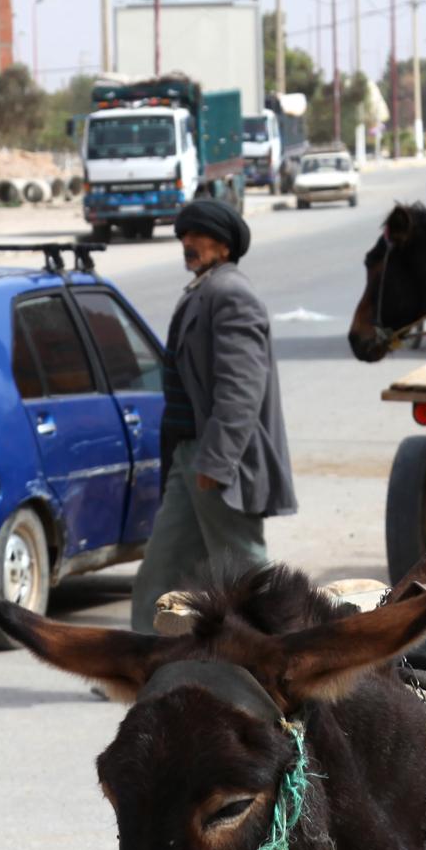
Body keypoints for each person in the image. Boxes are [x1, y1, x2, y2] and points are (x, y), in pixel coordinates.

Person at [127, 197, 296, 629]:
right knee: (162, 567)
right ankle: (145, 664)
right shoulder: (207, 289)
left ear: (224, 246)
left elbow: (241, 388)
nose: (188, 242)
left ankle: (287, 654)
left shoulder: (230, 294)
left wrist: (218, 460)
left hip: (217, 458)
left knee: (243, 569)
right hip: (192, 457)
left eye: (198, 236)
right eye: (184, 234)